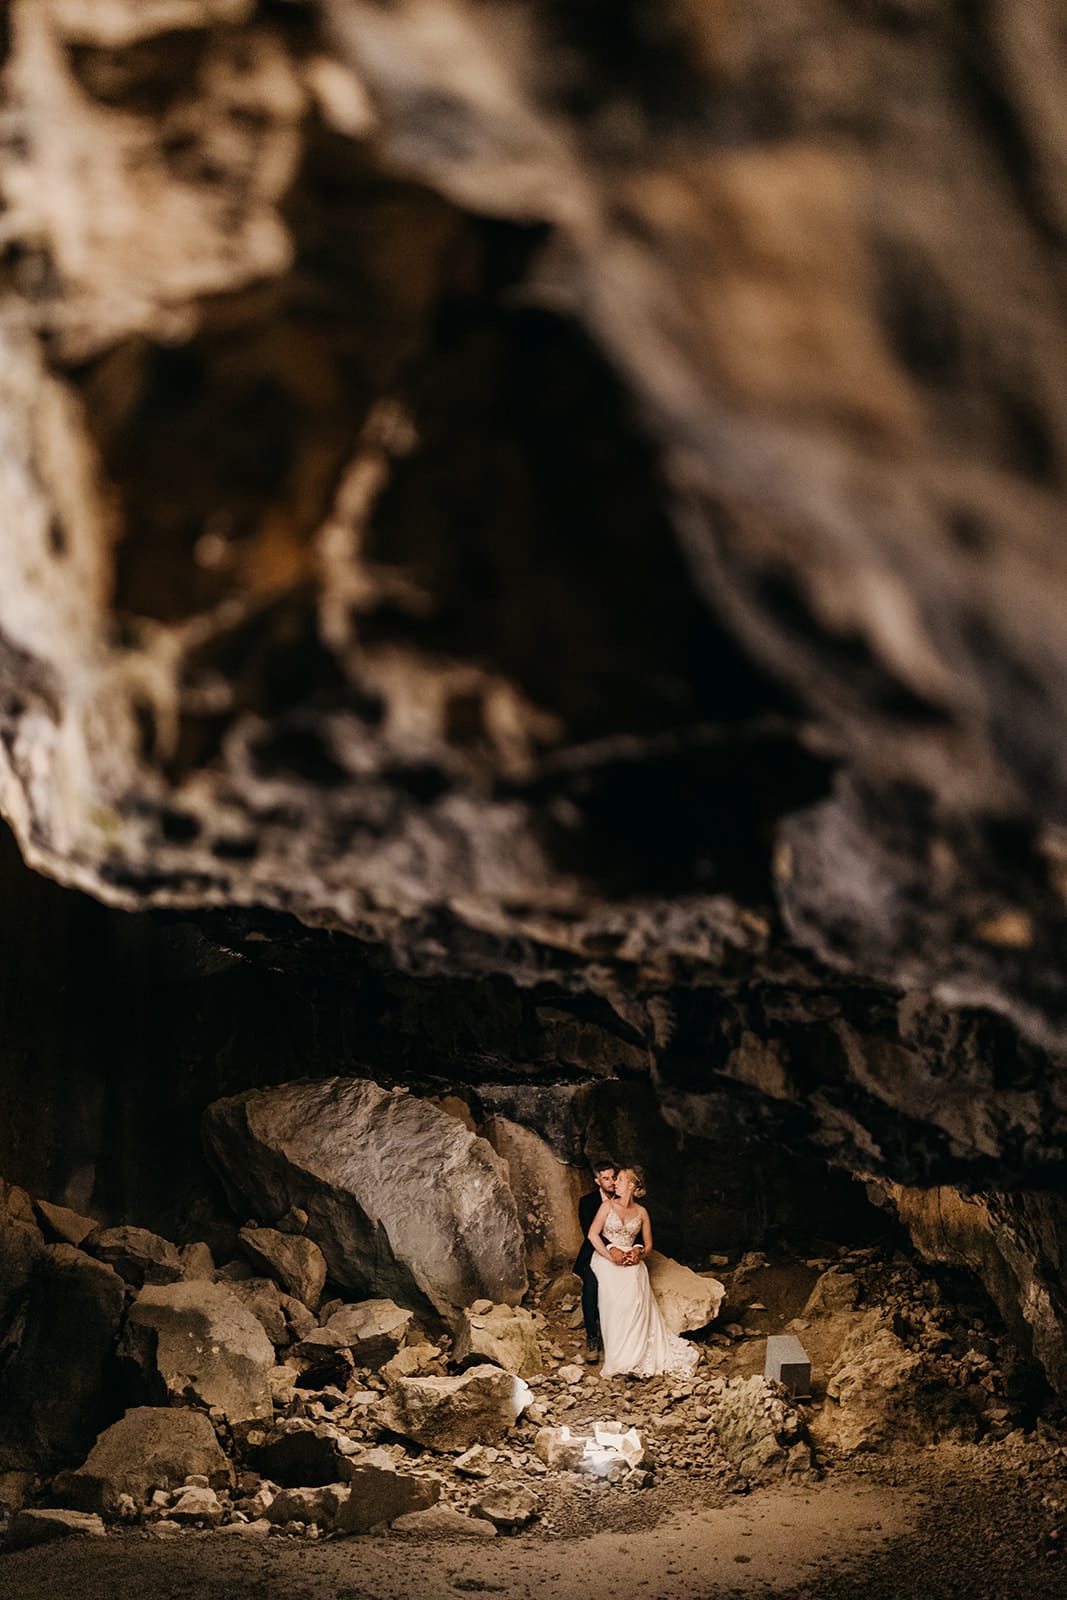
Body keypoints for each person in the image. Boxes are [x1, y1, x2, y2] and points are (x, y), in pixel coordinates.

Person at [588, 1165, 699, 1379]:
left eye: (619, 1179)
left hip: (631, 1260)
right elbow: (593, 1235)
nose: (614, 1183)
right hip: (605, 1258)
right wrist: (611, 1254)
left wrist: (639, 1252)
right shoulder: (606, 1207)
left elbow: (648, 1245)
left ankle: (635, 1358)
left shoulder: (641, 1212)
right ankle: (620, 1359)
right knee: (617, 1302)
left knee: (635, 1300)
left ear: (631, 1184)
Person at [573, 1158, 630, 1361]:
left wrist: (635, 1249)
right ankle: (592, 1338)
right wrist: (612, 1249)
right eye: (606, 1178)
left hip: (624, 1253)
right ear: (597, 1181)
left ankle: (627, 1337)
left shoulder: (626, 1198)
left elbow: (637, 1225)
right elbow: (590, 1232)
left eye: (614, 1177)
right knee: (591, 1285)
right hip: (595, 1252)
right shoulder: (587, 1202)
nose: (612, 1182)